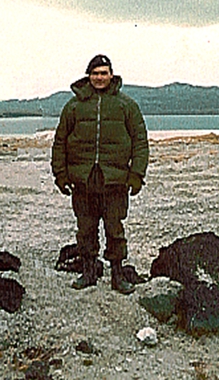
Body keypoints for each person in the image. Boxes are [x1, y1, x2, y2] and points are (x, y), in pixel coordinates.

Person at [51, 54, 149, 295]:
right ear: (89, 76)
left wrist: (136, 175)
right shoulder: (73, 106)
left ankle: (118, 274)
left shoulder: (127, 105)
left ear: (111, 75)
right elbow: (60, 142)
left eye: (103, 73)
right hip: (83, 180)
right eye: (95, 73)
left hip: (115, 180)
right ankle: (88, 272)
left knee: (115, 229)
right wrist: (61, 175)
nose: (99, 77)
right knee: (85, 228)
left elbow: (140, 142)